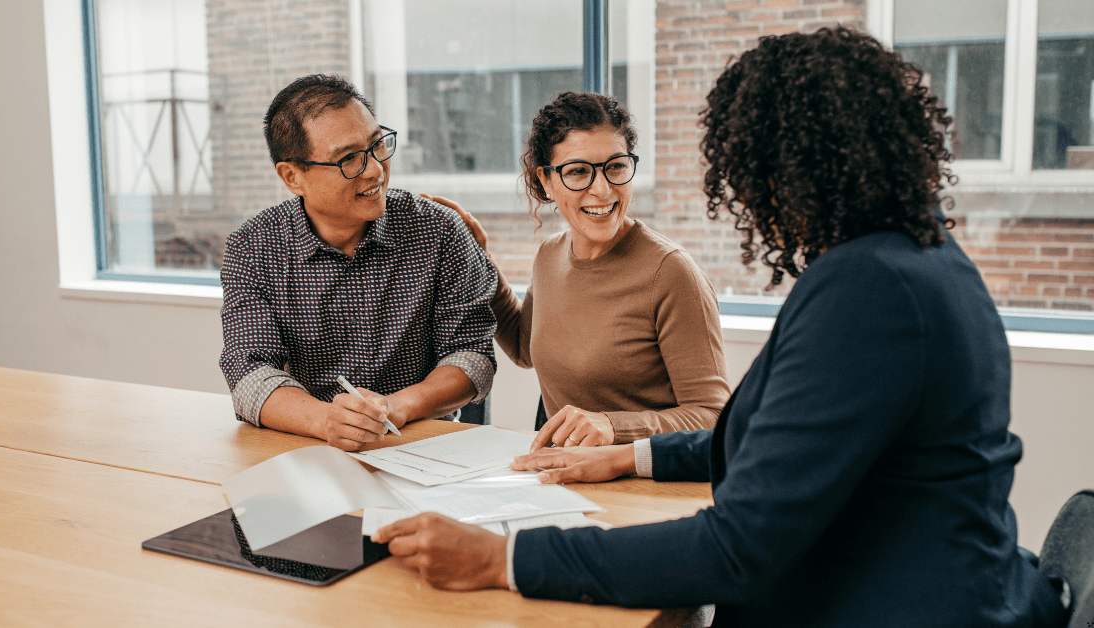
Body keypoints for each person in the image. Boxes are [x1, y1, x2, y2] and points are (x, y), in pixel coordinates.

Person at [374, 28, 1070, 627]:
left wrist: (506, 558)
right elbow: (773, 443)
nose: (750, 199)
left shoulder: (872, 290)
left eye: (752, 174)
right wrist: (630, 458)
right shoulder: (913, 260)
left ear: (793, 171)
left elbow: (737, 548)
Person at [426, 91, 730, 451]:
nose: (602, 189)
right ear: (546, 180)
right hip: (567, 469)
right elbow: (524, 348)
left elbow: (713, 416)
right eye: (577, 171)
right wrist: (480, 261)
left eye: (616, 166)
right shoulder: (550, 255)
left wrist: (613, 426)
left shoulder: (672, 273)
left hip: (642, 477)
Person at [219, 74, 498, 451]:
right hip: (310, 446)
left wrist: (397, 407)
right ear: (293, 176)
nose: (375, 170)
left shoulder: (440, 230)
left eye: (377, 145)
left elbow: (472, 356)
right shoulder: (253, 247)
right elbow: (250, 372)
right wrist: (326, 420)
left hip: (422, 444)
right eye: (348, 158)